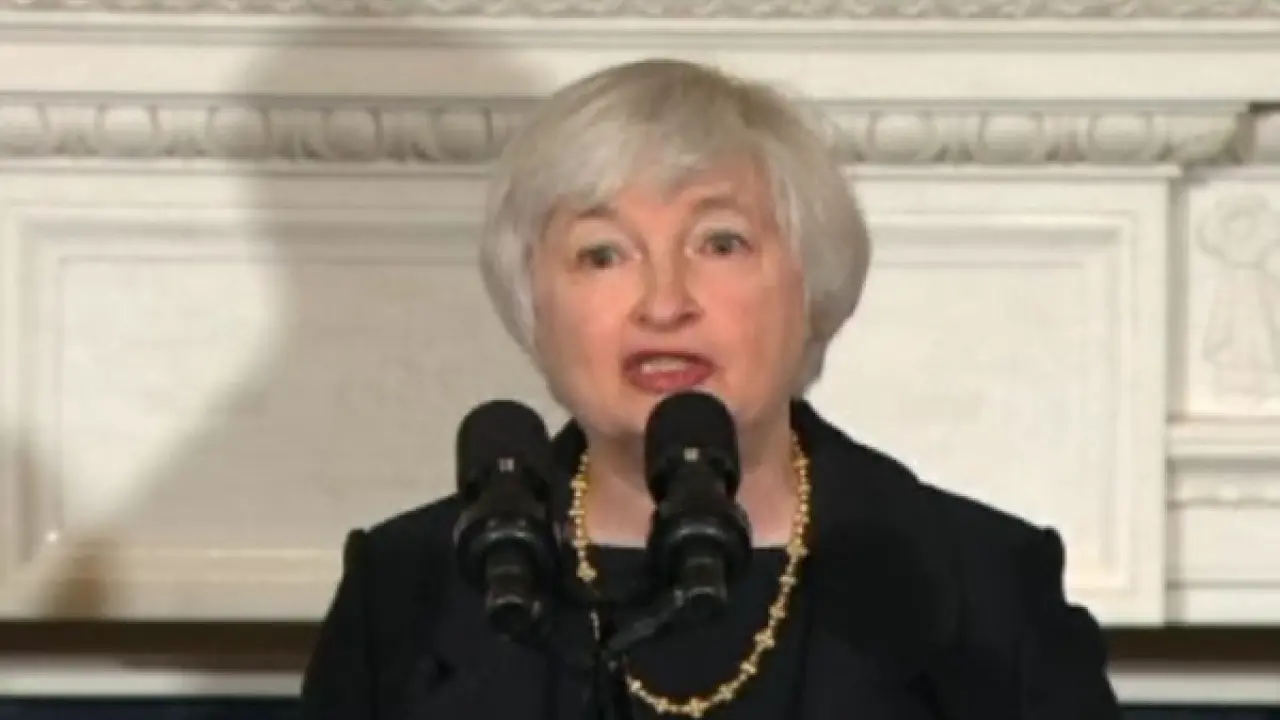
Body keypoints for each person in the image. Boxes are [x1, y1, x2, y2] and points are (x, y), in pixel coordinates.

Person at [298, 58, 1123, 720]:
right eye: (603, 254)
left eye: (720, 243)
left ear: (811, 282)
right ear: (534, 305)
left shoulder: (984, 588)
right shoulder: (408, 589)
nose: (664, 303)